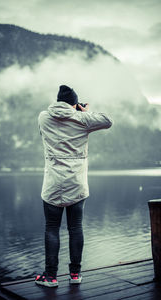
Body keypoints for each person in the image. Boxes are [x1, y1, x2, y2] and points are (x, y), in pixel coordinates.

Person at [35, 85, 112, 287]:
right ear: (74, 103)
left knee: (51, 229)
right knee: (75, 228)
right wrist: (83, 111)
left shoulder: (43, 117)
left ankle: (50, 277)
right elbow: (107, 120)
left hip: (52, 185)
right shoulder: (82, 119)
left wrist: (73, 110)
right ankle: (75, 275)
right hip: (77, 185)